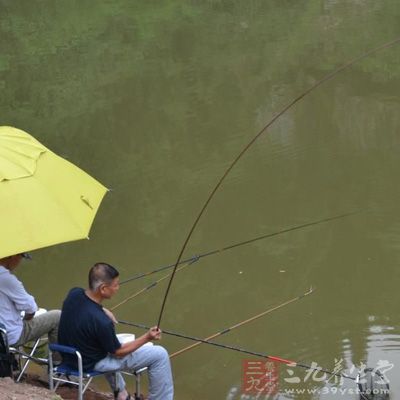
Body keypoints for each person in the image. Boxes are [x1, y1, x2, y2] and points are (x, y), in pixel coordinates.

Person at [58, 262, 174, 400]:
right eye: (116, 285)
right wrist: (147, 337)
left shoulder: (74, 293)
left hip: (70, 357)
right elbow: (118, 353)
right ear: (103, 288)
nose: (118, 288)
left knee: (110, 341)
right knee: (159, 354)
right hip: (90, 363)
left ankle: (121, 394)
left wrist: (103, 309)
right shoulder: (101, 321)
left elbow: (87, 305)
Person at [0, 253, 61, 348]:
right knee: (57, 316)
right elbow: (31, 309)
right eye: (20, 258)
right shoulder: (7, 280)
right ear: (12, 256)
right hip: (9, 337)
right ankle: (57, 361)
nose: (19, 263)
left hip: (2, 331)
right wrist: (25, 319)